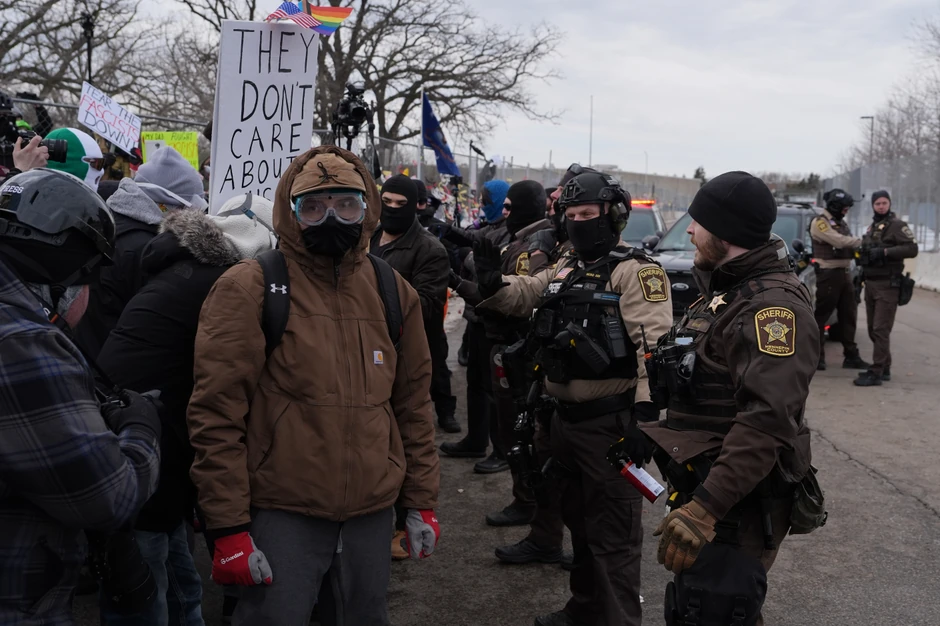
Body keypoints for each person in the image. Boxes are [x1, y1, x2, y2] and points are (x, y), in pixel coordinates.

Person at [187, 146, 441, 626]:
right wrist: (229, 527)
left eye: (346, 204)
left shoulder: (392, 290)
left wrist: (420, 501)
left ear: (367, 208)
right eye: (313, 206)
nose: (331, 217)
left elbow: (412, 405)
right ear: (291, 211)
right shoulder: (249, 286)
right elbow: (215, 416)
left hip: (369, 512)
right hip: (282, 510)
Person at [476, 171, 673, 626]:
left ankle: (618, 619)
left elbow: (654, 350)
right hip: (561, 420)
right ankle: (585, 609)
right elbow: (526, 293)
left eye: (588, 214)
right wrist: (491, 283)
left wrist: (644, 419)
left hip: (609, 427)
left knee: (614, 538)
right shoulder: (568, 266)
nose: (579, 223)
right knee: (579, 525)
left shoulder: (636, 272)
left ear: (614, 217)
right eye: (571, 215)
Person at [640, 172, 820, 626]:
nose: (692, 232)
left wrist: (707, 508)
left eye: (698, 222)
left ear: (726, 232)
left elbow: (768, 420)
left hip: (736, 505)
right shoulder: (726, 291)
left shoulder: (771, 309)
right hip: (710, 484)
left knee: (716, 611)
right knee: (695, 607)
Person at [96, 195, 276, 626]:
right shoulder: (224, 285)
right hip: (149, 442)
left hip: (140, 429)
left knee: (175, 574)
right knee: (144, 587)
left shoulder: (180, 269)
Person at [0, 168, 161, 625]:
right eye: (89, 279)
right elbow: (107, 497)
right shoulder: (21, 344)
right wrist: (141, 428)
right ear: (61, 269)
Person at [73, 146, 208, 359]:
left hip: (84, 353)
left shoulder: (107, 221)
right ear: (169, 205)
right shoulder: (145, 250)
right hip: (107, 365)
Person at [372, 175, 457, 433]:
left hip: (413, 346)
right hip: (372, 343)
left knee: (412, 420)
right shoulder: (364, 239)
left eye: (401, 203)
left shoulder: (429, 249)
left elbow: (428, 306)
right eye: (386, 201)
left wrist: (373, 299)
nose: (392, 208)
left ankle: (446, 414)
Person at [439, 179, 513, 463]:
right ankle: (476, 439)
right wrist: (452, 233)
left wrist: (465, 254)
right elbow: (477, 237)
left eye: (487, 201)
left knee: (495, 388)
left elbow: (494, 265)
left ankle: (501, 450)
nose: (484, 206)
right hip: (477, 315)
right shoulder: (491, 225)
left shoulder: (511, 229)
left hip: (495, 319)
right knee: (476, 384)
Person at [854, 190, 919, 386]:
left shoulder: (897, 225)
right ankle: (885, 366)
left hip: (888, 285)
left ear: (889, 204)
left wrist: (884, 252)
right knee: (873, 330)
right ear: (873, 206)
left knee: (880, 329)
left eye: (884, 203)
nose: (881, 206)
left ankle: (877, 371)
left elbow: (912, 249)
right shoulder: (872, 227)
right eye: (877, 204)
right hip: (871, 283)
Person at [809, 189, 868, 370]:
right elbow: (838, 241)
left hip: (844, 273)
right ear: (835, 206)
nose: (846, 211)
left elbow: (846, 243)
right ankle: (816, 357)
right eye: (844, 208)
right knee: (821, 316)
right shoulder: (820, 222)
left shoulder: (840, 222)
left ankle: (850, 355)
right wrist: (861, 242)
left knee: (848, 315)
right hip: (828, 274)